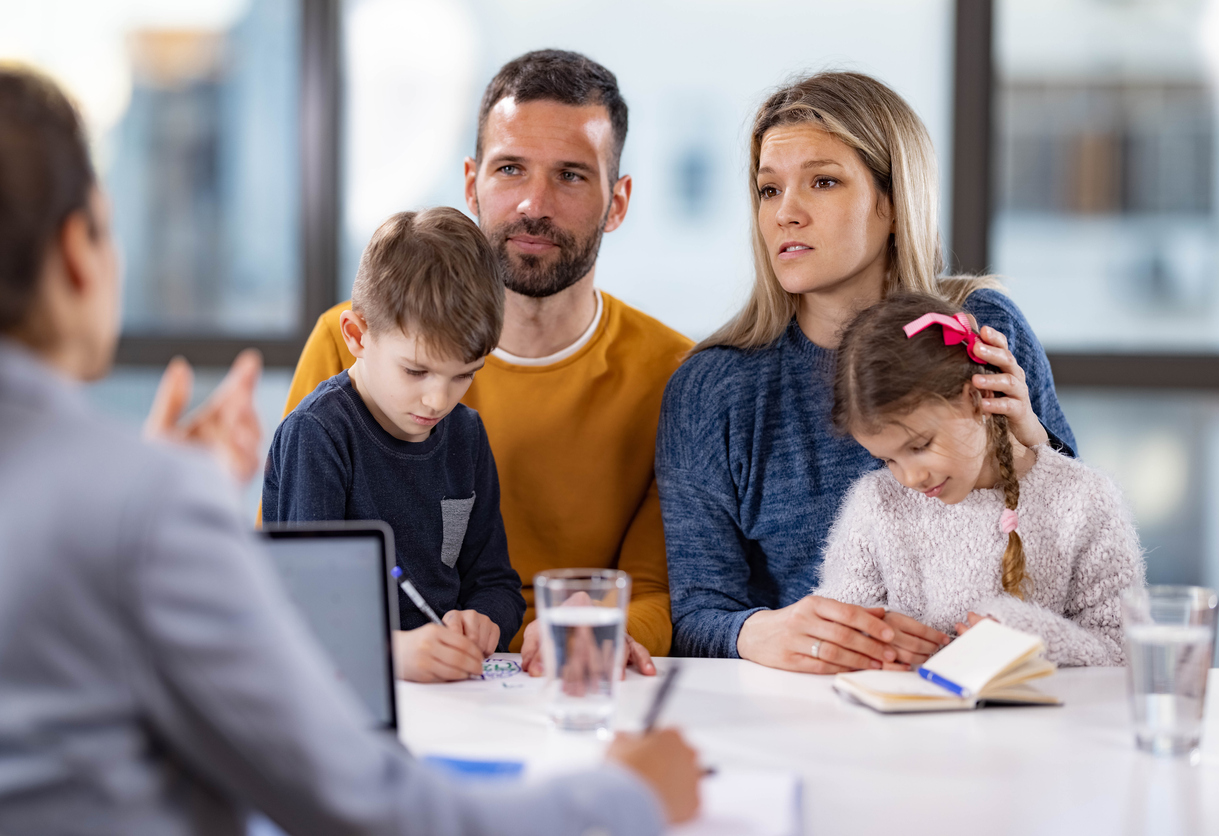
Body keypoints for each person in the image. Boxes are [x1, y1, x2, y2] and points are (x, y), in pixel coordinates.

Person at [0, 64, 700, 834]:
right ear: (77, 254)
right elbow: (365, 805)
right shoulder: (157, 495)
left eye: (570, 175)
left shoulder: (640, 380)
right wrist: (627, 800)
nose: (436, 399)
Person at [657, 71, 1079, 671]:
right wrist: (758, 632)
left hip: (996, 696)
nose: (786, 214)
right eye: (769, 190)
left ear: (891, 202)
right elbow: (698, 611)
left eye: (822, 182)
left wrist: (1032, 441)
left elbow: (1079, 554)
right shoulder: (714, 388)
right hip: (813, 708)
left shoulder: (982, 330)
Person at [284, 50, 690, 672]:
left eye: (572, 176)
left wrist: (592, 634)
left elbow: (657, 590)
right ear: (472, 183)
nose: (534, 202)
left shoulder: (675, 376)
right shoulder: (347, 344)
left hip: (564, 679)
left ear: (618, 201)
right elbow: (283, 578)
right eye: (510, 169)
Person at [264, 208, 525, 682]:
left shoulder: (466, 437)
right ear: (357, 336)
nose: (438, 399)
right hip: (349, 698)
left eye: (464, 375)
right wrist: (390, 654)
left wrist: (485, 620)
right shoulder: (319, 435)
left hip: (455, 695)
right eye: (416, 370)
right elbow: (303, 609)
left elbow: (497, 583)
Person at [813, 293, 1143, 666]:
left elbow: (1123, 653)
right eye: (888, 459)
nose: (911, 477)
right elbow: (838, 628)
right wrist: (873, 639)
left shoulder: (1084, 500)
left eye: (921, 445)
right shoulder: (875, 505)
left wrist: (1031, 636)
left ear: (977, 396)